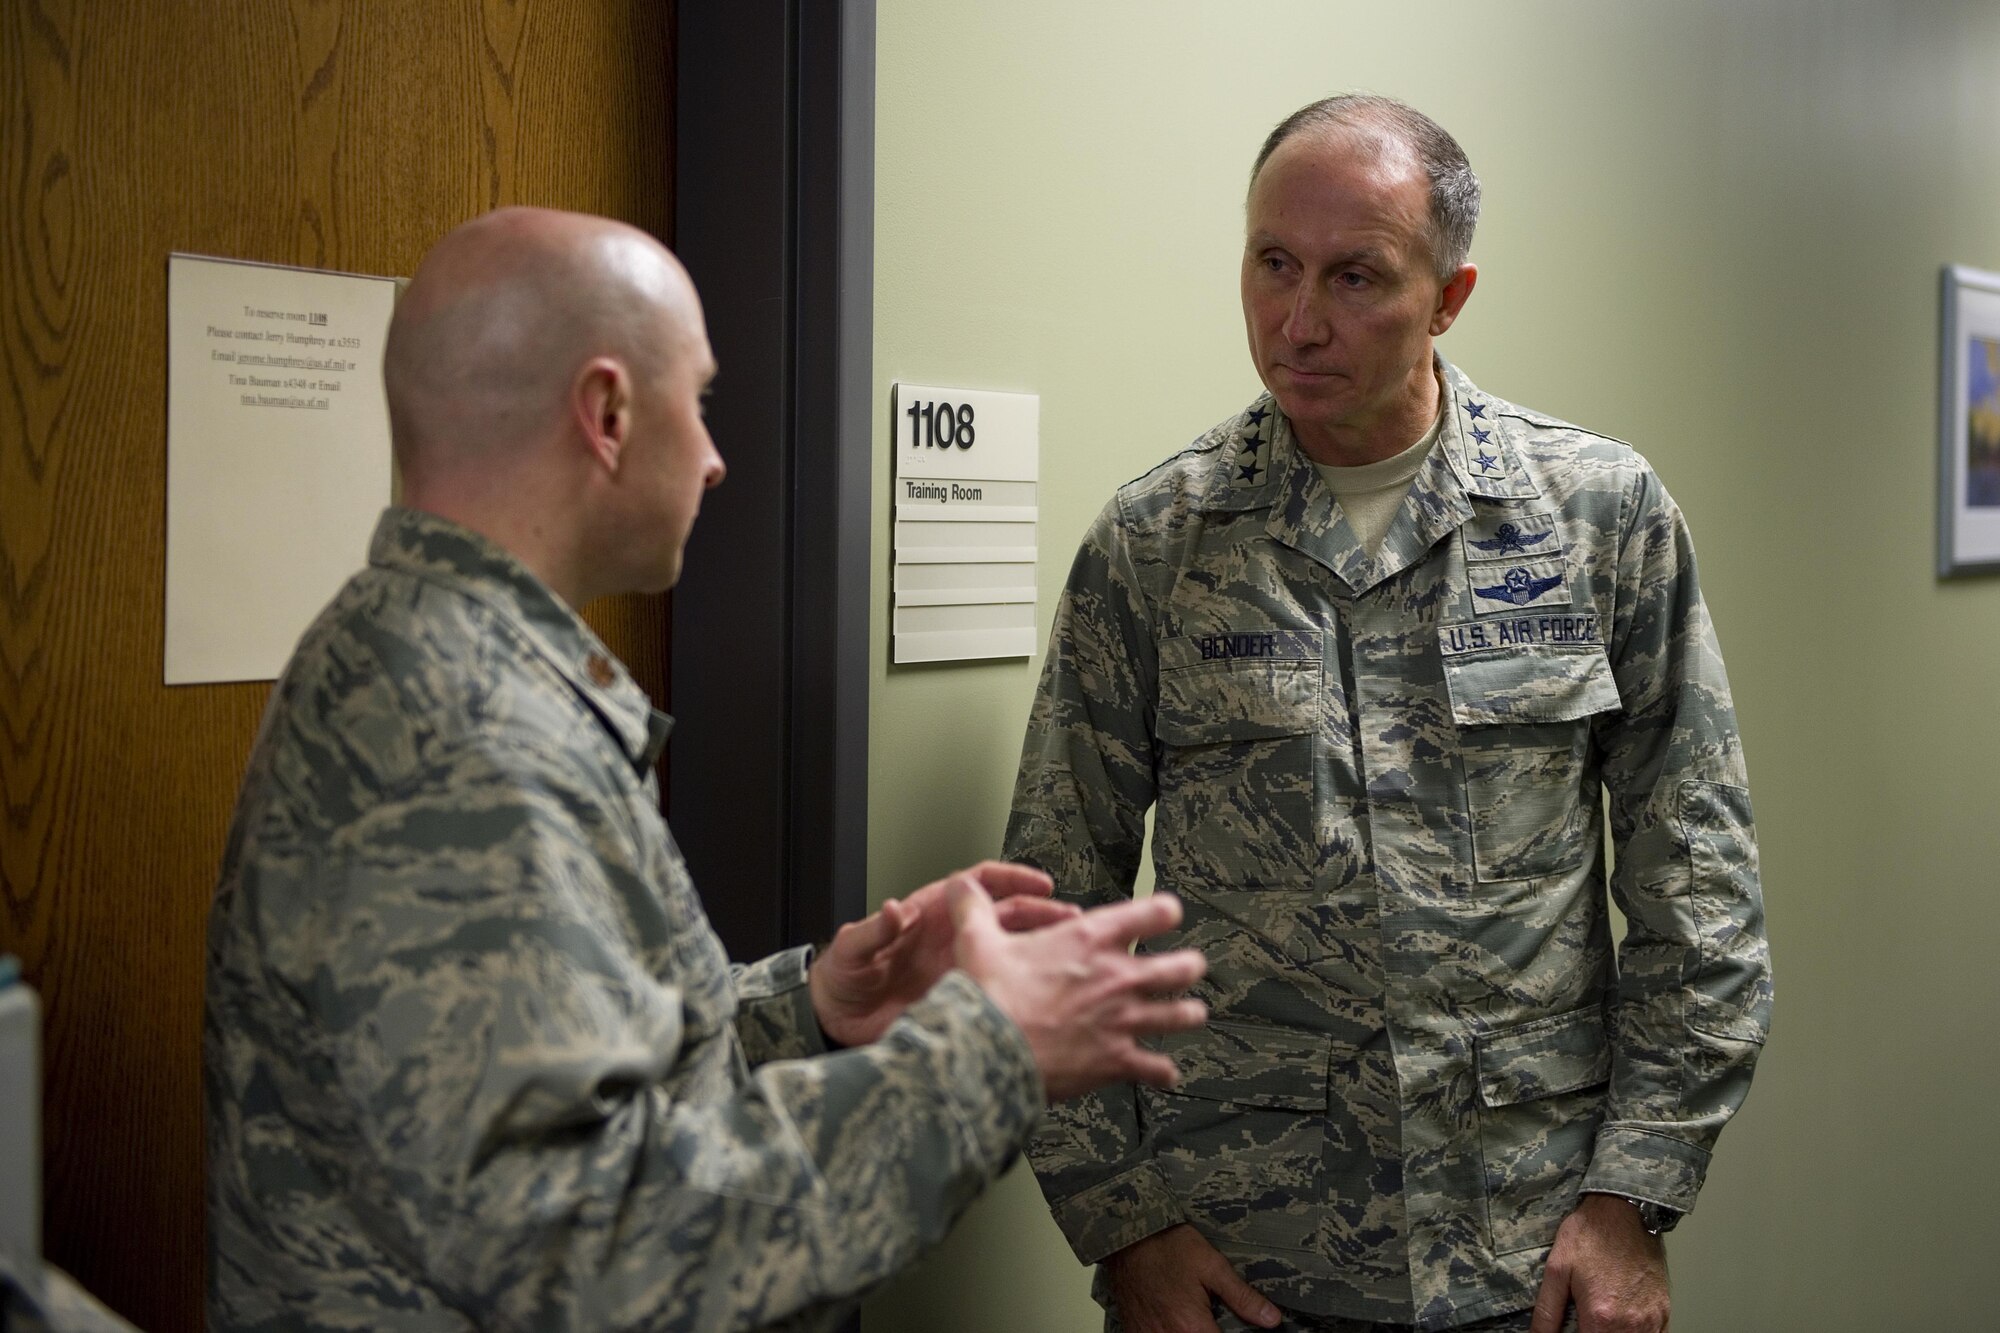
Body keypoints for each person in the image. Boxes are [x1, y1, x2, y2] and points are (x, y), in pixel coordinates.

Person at [203, 206, 1210, 1333]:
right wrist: (986, 1057)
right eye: (700, 400)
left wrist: (815, 1008)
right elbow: (601, 1256)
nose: (718, 456)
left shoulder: (426, 660)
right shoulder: (461, 733)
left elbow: (558, 1085)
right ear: (608, 413)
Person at [1005, 95, 1771, 1333]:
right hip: (1243, 1267)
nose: (1297, 322)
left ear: (1450, 296)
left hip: (1531, 1260)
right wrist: (1124, 1220)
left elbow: (1699, 887)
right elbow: (1049, 910)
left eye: (1354, 277)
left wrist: (1635, 1194)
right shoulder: (1157, 541)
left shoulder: (1596, 518)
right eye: (1271, 265)